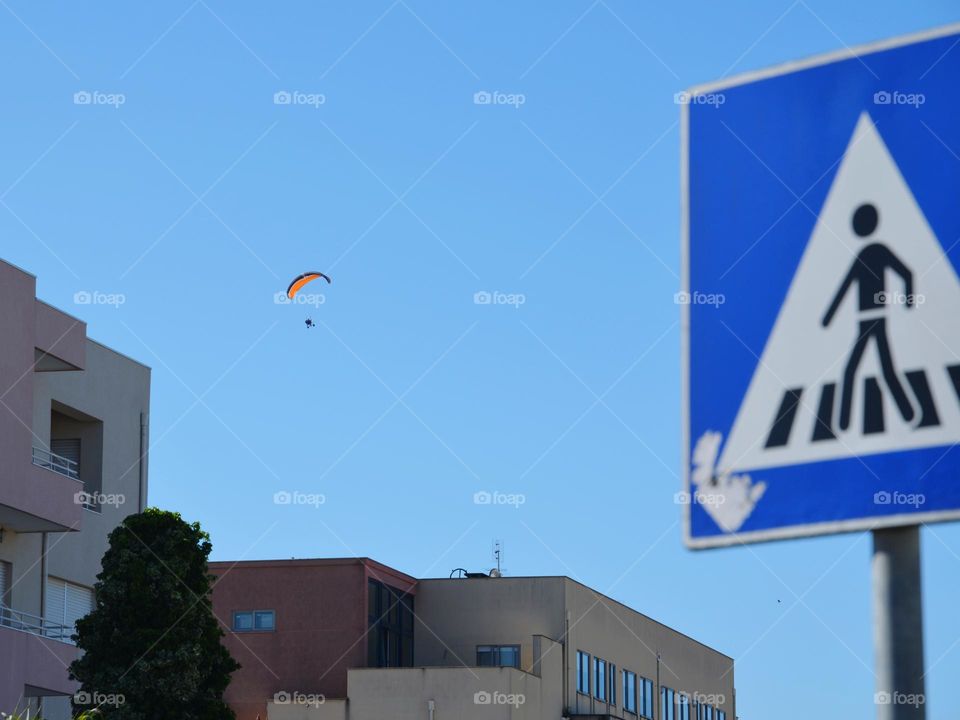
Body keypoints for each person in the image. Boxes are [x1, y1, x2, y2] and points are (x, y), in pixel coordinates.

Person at [822, 203, 915, 430]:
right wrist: (828, 317)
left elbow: (906, 273)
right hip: (866, 320)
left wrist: (909, 301)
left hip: (874, 318)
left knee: (861, 369)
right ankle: (906, 415)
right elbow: (845, 287)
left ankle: (908, 415)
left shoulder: (877, 252)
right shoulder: (866, 254)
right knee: (867, 369)